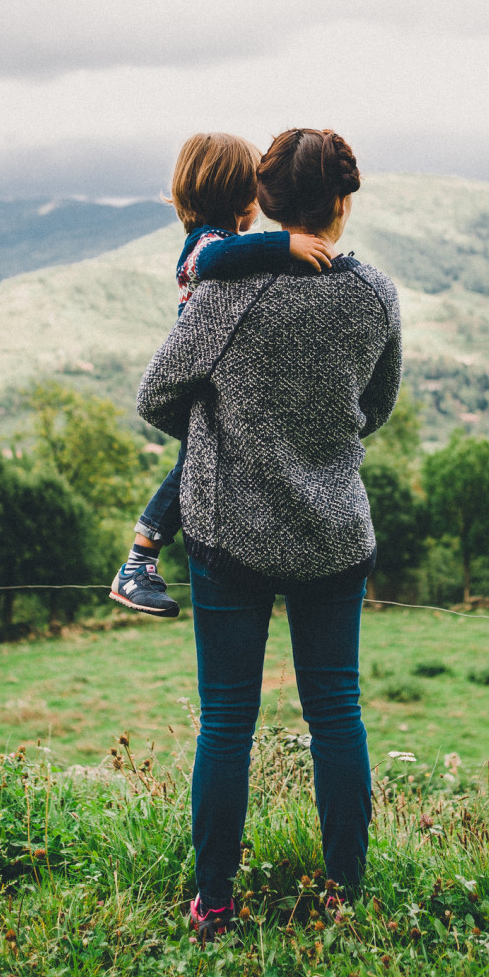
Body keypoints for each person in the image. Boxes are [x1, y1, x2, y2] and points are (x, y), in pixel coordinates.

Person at [136, 127, 401, 936]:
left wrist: (224, 427)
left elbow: (156, 398)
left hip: (227, 535)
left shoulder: (227, 291)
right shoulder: (375, 294)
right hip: (333, 534)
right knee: (336, 712)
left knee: (226, 720)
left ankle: (214, 903)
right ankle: (346, 899)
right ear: (342, 204)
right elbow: (376, 409)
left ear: (264, 200)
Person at [111, 131, 337, 617]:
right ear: (244, 200)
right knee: (190, 464)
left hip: (211, 378)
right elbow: (219, 259)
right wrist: (285, 244)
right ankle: (137, 564)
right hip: (202, 378)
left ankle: (140, 562)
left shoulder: (220, 242)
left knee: (189, 462)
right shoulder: (207, 245)